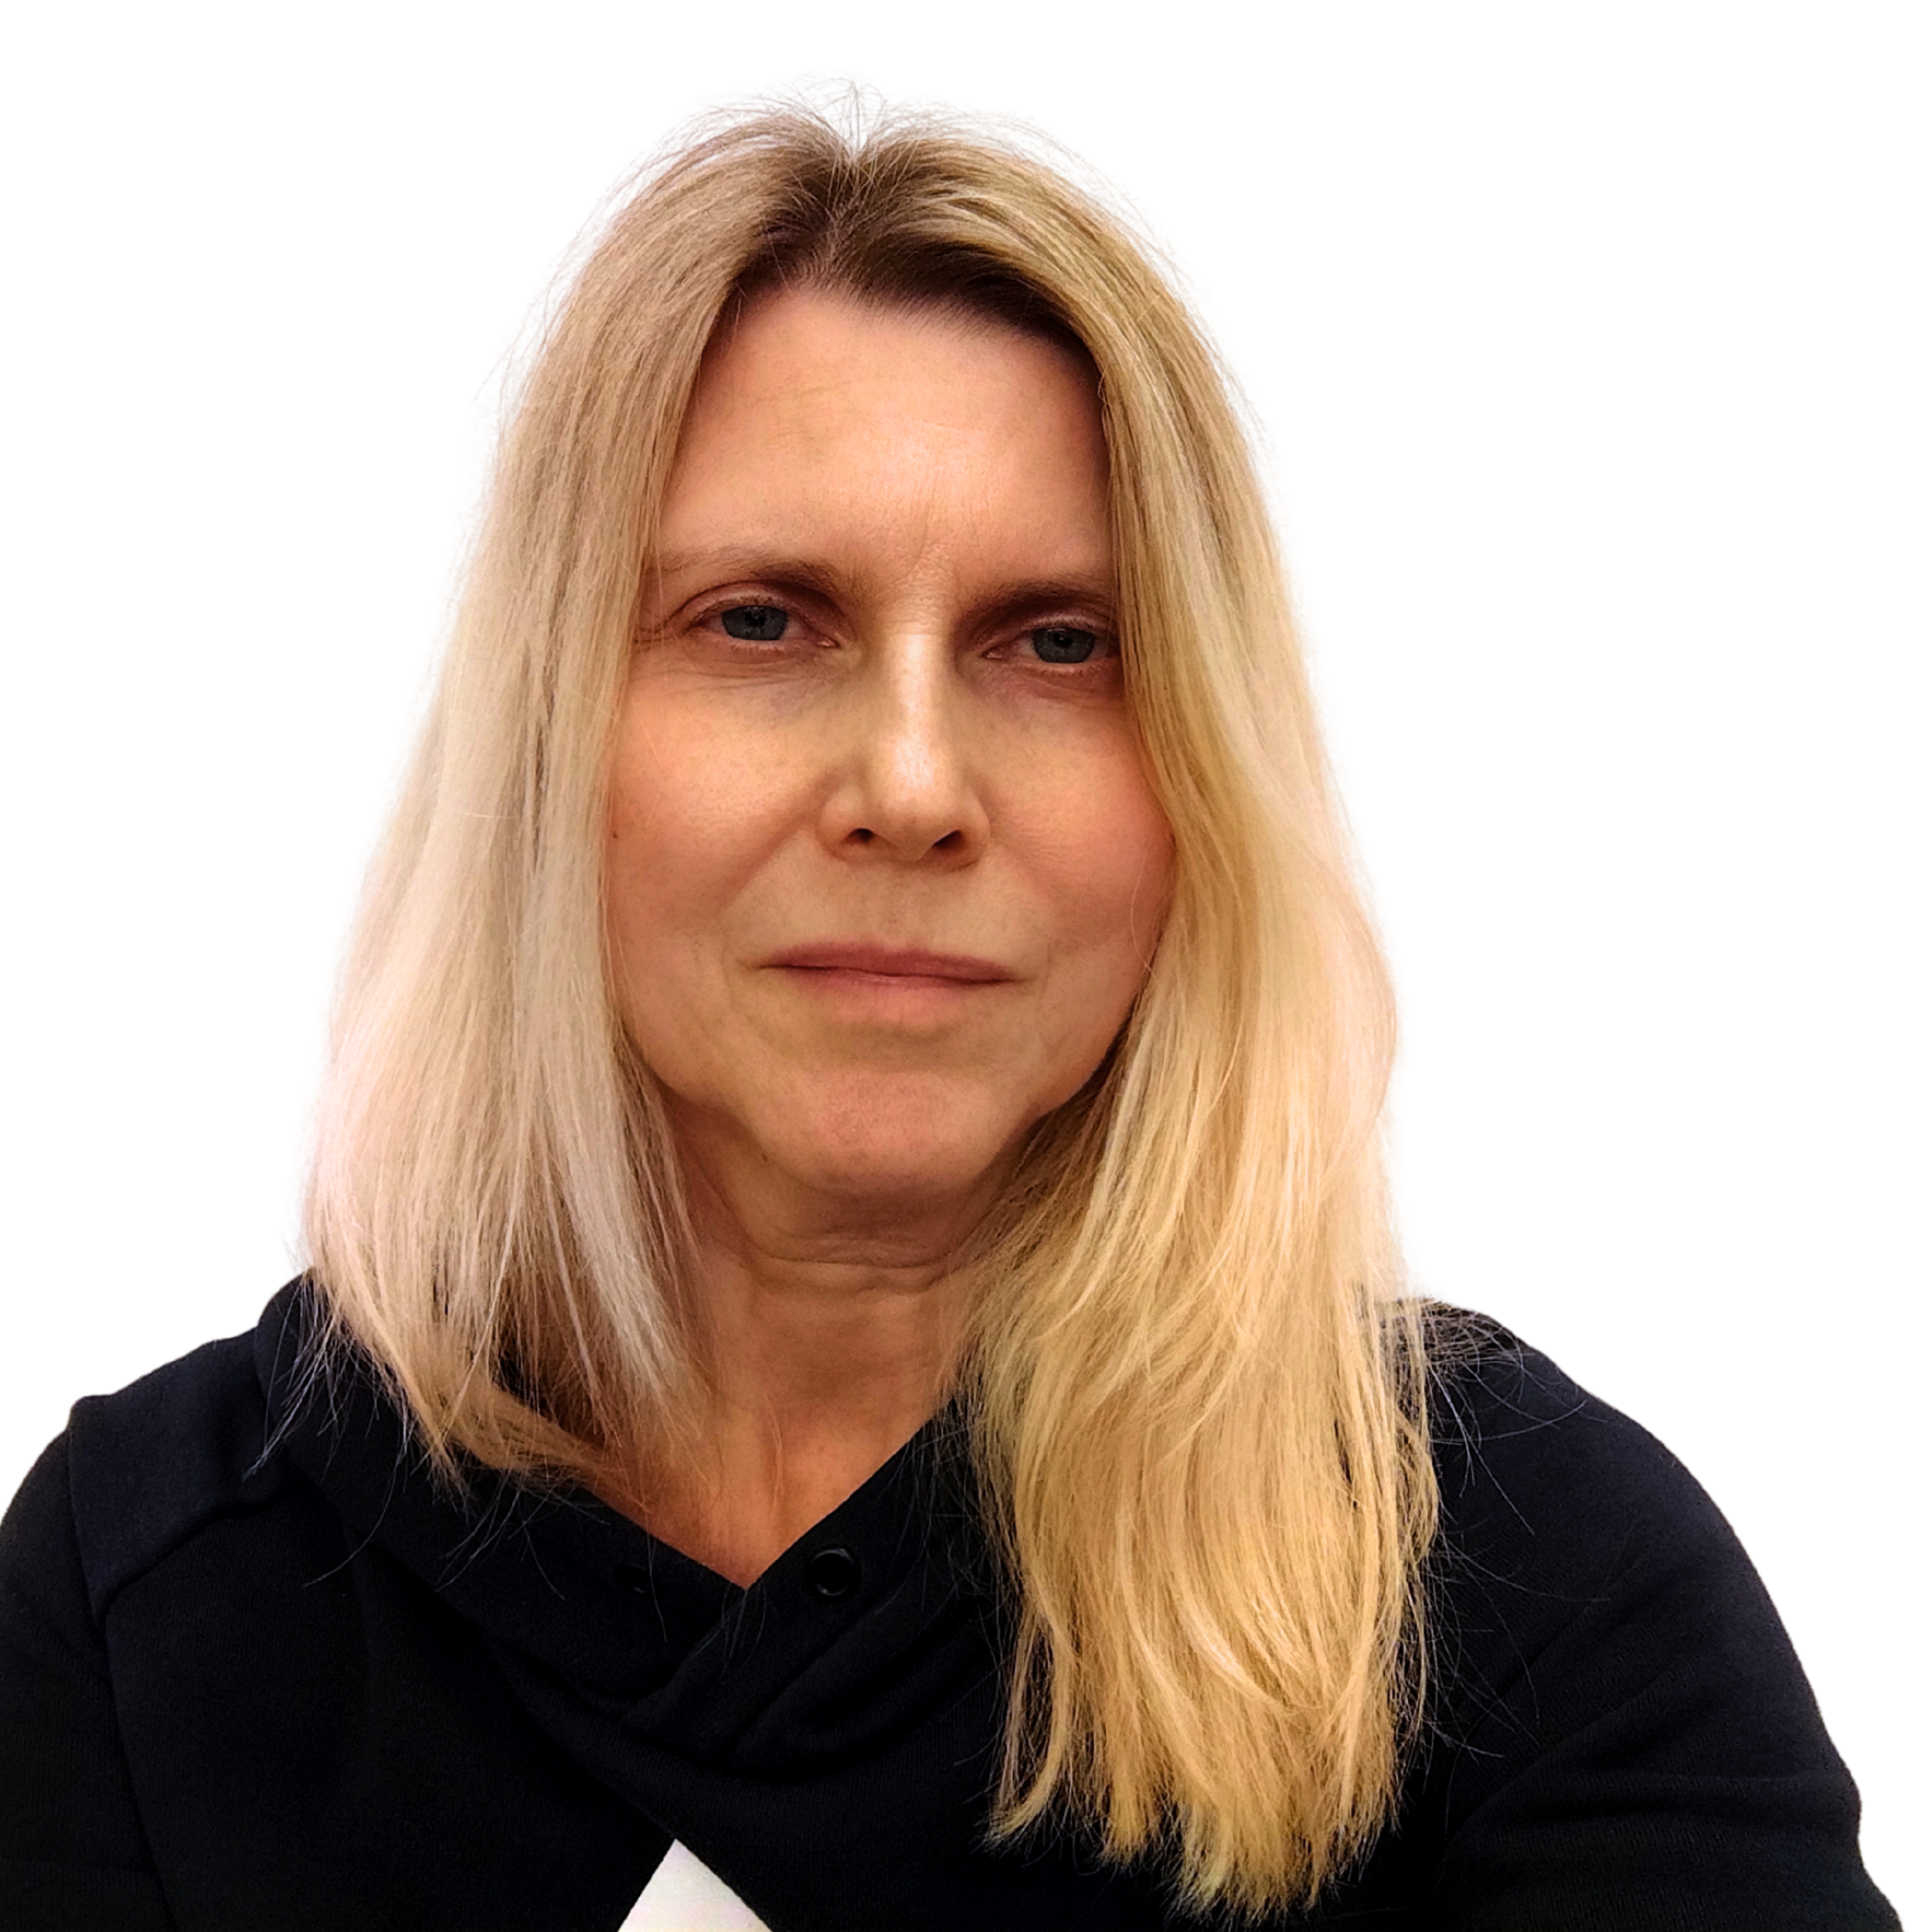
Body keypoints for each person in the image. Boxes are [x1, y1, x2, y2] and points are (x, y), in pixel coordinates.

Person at [0, 105, 1898, 1932]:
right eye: (761, 619)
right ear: (548, 742)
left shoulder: (1518, 1577)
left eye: (1058, 640)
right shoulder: (146, 1586)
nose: (912, 783)